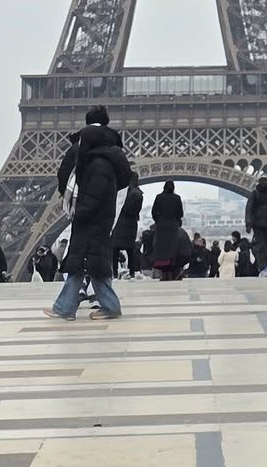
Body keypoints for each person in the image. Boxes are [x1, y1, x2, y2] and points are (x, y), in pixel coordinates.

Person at [48, 106, 136, 321]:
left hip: (92, 218)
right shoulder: (111, 157)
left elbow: (86, 189)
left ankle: (72, 307)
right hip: (101, 218)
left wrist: (75, 206)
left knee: (86, 262)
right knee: (89, 262)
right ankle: (66, 307)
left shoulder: (97, 164)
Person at [245, 175, 267, 273]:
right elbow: (249, 209)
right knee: (262, 248)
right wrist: (248, 224)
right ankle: (263, 267)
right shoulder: (255, 194)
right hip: (259, 226)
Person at [150, 180, 184, 279]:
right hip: (173, 227)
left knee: (162, 251)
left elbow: (153, 212)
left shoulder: (159, 197)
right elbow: (180, 214)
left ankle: (164, 273)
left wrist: (158, 221)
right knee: (172, 250)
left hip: (161, 227)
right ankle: (171, 271)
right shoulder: (177, 198)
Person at [113, 181, 143, 277]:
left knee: (115, 249)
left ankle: (114, 273)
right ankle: (132, 272)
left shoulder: (121, 193)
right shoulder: (138, 194)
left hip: (119, 225)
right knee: (130, 250)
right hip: (130, 226)